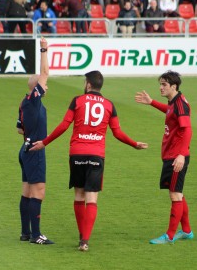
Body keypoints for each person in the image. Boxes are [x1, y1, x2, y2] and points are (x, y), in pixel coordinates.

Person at [30, 70, 148, 251]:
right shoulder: (109, 105)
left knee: (79, 195)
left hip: (77, 153)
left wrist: (44, 142)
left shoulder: (77, 100)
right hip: (96, 154)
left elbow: (64, 125)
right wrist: (134, 144)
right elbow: (117, 132)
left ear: (88, 84)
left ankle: (81, 234)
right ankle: (85, 240)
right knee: (92, 198)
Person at [135, 71, 194, 244]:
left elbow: (187, 129)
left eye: (164, 85)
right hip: (171, 154)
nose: (160, 88)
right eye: (160, 84)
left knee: (175, 195)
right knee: (178, 193)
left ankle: (169, 236)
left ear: (173, 86)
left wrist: (181, 155)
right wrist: (152, 102)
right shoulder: (174, 102)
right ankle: (187, 231)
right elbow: (170, 111)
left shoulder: (181, 105)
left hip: (176, 156)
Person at [16, 37, 54, 245]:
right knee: (38, 192)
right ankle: (36, 235)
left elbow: (18, 129)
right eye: (43, 85)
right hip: (35, 150)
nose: (46, 86)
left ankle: (26, 232)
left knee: (27, 191)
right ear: (36, 88)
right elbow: (45, 73)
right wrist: (43, 49)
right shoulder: (33, 99)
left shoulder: (24, 103)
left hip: (25, 148)